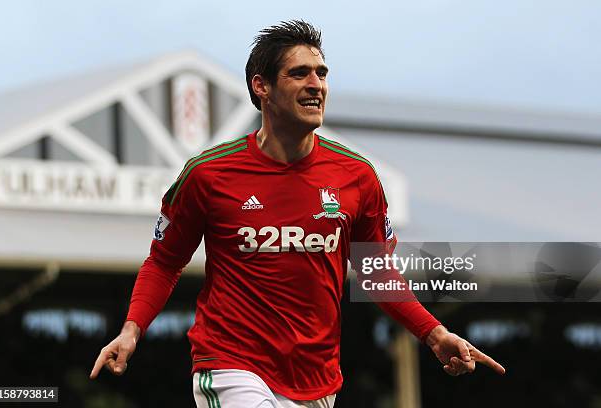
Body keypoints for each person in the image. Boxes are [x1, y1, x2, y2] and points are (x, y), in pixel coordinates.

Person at [90, 20, 505, 407]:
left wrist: (433, 334)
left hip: (317, 379)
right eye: (299, 73)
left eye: (322, 73)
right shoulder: (208, 174)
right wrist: (131, 330)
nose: (316, 85)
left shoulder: (357, 177)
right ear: (262, 87)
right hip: (231, 364)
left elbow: (377, 272)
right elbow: (164, 261)